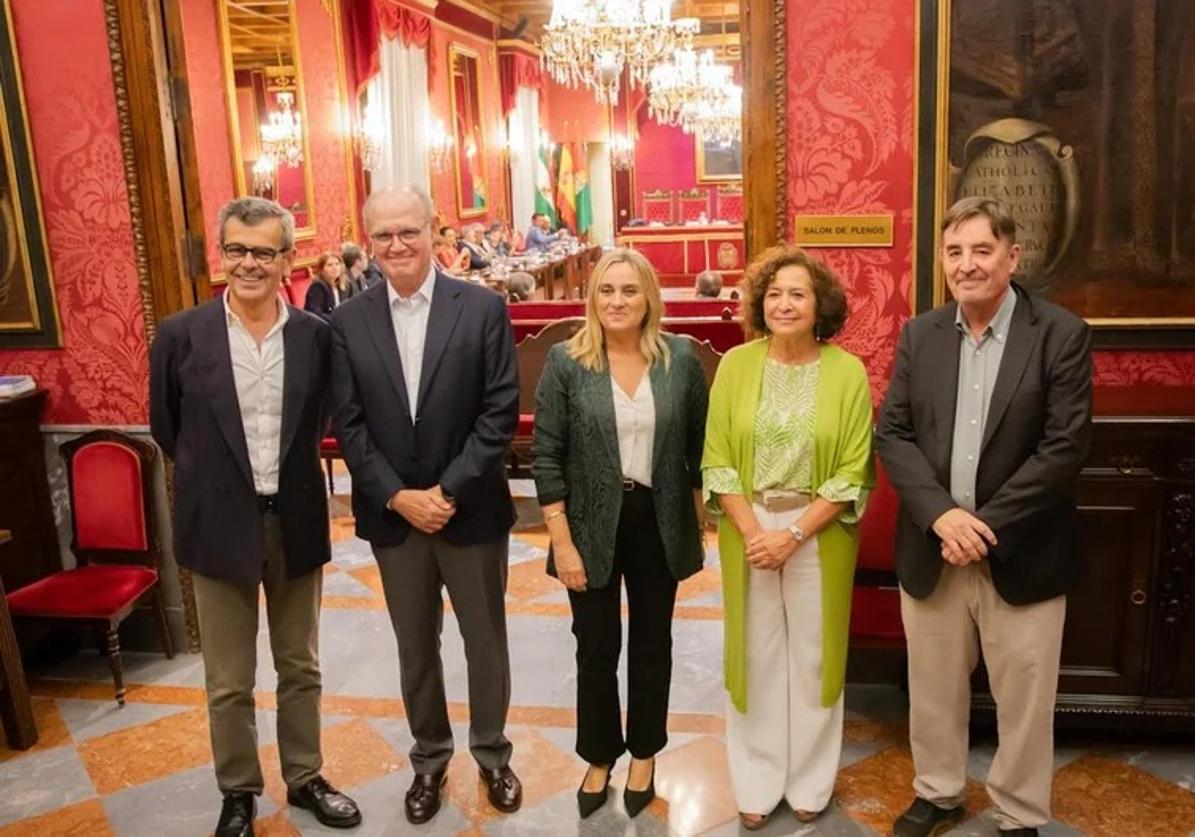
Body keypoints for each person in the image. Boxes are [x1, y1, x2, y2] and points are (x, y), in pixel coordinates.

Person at [875, 196, 1093, 837]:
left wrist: (983, 526)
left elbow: (1064, 446)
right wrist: (943, 516)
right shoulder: (921, 334)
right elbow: (893, 434)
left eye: (981, 250)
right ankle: (938, 792)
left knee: (1024, 699)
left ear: (1011, 256)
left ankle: (1020, 810)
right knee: (933, 689)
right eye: (954, 252)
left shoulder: (1060, 333)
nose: (967, 265)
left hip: (1022, 552)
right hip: (934, 548)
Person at [149, 197, 361, 837]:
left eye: (263, 251)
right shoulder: (182, 335)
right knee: (229, 678)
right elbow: (168, 429)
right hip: (217, 526)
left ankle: (305, 777)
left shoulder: (316, 337)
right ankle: (238, 790)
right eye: (237, 249)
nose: (248, 263)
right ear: (221, 254)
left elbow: (322, 419)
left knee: (301, 666)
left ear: (286, 259)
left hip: (293, 520)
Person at [330, 186, 522, 825]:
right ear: (368, 241)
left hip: (469, 509)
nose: (395, 245)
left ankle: (493, 753)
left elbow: (499, 413)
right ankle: (430, 759)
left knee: (485, 642)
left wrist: (444, 492)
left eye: (407, 231)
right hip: (395, 517)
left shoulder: (482, 308)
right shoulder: (349, 320)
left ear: (434, 231)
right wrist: (398, 496)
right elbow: (349, 424)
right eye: (381, 234)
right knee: (415, 646)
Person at [531, 249, 709, 819]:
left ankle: (645, 753)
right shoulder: (566, 361)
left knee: (653, 645)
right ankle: (600, 754)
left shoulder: (679, 360)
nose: (617, 301)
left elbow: (700, 448)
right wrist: (560, 538)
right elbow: (547, 454)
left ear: (649, 297)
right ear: (592, 298)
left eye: (630, 290)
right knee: (596, 646)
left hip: (660, 520)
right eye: (607, 291)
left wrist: (701, 518)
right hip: (587, 523)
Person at [702, 246, 873, 830]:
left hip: (818, 532)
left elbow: (852, 472)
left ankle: (809, 780)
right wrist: (756, 533)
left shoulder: (847, 372)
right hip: (747, 527)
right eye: (774, 293)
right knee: (756, 653)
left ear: (819, 304)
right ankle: (756, 780)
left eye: (797, 293)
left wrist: (793, 534)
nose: (784, 303)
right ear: (759, 303)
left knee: (813, 655)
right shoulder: (736, 366)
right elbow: (717, 460)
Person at [305, 251, 351, 321]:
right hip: (321, 327)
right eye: (330, 265)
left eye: (337, 264)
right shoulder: (318, 287)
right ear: (322, 270)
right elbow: (315, 314)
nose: (334, 268)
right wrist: (336, 321)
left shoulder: (345, 285)